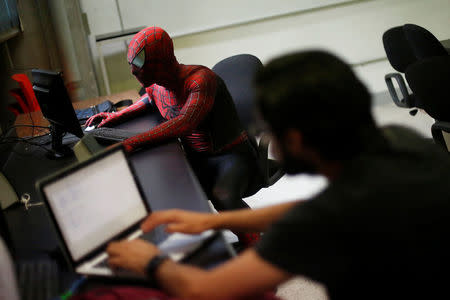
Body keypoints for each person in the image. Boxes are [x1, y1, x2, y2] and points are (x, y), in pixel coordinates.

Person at [106, 50, 450, 300]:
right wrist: (211, 222)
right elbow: (322, 208)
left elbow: (203, 289)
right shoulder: (402, 141)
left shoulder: (327, 219)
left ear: (295, 140)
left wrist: (150, 262)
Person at [85, 27, 260, 246]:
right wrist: (113, 116)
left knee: (223, 195)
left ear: (161, 60)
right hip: (198, 157)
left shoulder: (200, 80)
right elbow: (148, 101)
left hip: (230, 155)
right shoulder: (158, 85)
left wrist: (131, 143)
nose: (133, 71)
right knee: (161, 186)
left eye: (138, 63)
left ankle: (256, 246)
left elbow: (184, 124)